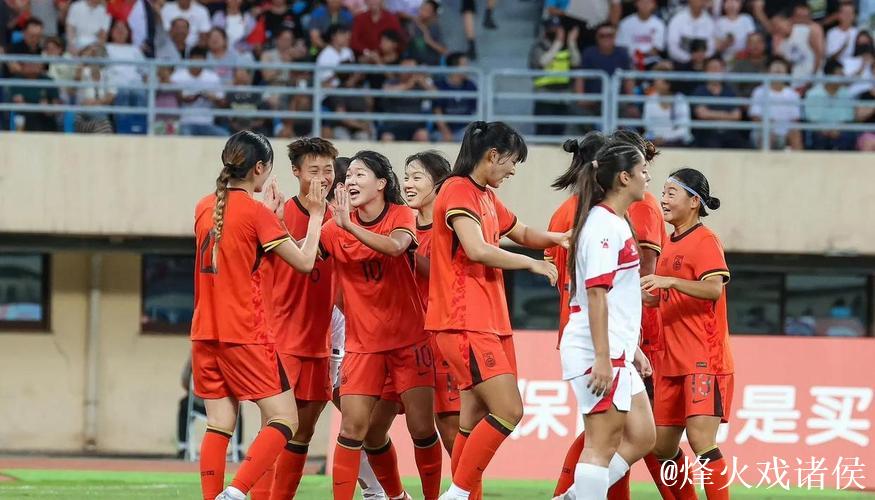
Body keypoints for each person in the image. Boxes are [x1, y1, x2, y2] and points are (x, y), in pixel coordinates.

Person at [430, 121, 564, 500]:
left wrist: (561, 238)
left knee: (472, 420)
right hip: (464, 321)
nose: (513, 170)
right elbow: (476, 249)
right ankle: (456, 495)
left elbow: (522, 232)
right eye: (511, 162)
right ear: (492, 155)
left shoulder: (486, 195)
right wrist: (532, 264)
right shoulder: (457, 189)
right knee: (509, 411)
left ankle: (463, 496)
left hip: (488, 321)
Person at [191, 130, 327, 500]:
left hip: (204, 332)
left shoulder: (204, 206)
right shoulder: (255, 213)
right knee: (285, 420)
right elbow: (304, 262)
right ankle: (236, 493)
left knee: (219, 424)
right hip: (245, 332)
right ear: (260, 168)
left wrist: (271, 220)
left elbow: (240, 252)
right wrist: (315, 216)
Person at [326, 151, 442, 500]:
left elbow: (395, 247)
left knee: (422, 428)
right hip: (363, 348)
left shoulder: (400, 214)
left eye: (360, 174)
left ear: (380, 183)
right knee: (355, 430)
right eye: (349, 176)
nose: (350, 180)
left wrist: (349, 227)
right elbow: (303, 260)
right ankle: (396, 497)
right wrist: (314, 217)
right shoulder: (332, 228)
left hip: (410, 342)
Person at [241, 138, 340, 500]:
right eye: (314, 170)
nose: (323, 177)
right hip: (281, 337)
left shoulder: (341, 217)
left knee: (303, 432)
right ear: (296, 172)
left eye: (328, 169)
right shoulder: (276, 214)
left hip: (320, 341)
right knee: (275, 427)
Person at [557, 137, 655, 500]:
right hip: (597, 348)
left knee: (643, 436)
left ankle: (573, 497)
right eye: (643, 171)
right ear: (624, 178)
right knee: (600, 446)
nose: (648, 178)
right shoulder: (603, 226)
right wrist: (602, 358)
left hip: (616, 348)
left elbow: (616, 294)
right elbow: (596, 294)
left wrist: (632, 349)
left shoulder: (615, 221)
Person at [641, 167, 733, 500]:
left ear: (694, 201)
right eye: (663, 193)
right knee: (661, 447)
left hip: (703, 358)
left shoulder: (705, 240)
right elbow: (666, 297)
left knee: (701, 441)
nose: (663, 200)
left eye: (671, 193)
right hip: (670, 361)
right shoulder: (670, 242)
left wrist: (670, 281)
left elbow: (713, 289)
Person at [403, 150, 458, 455]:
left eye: (417, 177)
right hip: (406, 342)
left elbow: (446, 276)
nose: (408, 184)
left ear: (439, 184)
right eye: (406, 177)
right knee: (419, 429)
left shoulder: (451, 228)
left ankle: (466, 482)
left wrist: (407, 252)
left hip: (442, 337)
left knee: (451, 428)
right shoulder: (402, 227)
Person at [529, 18, 581, 137]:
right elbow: (542, 62)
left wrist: (572, 43)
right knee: (543, 132)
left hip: (562, 96)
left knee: (558, 131)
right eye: (552, 28)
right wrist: (557, 43)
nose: (555, 31)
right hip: (544, 96)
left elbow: (576, 62)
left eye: (557, 28)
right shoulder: (539, 45)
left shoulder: (567, 47)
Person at [170, 46, 227, 137]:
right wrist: (189, 97)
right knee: (185, 136)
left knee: (224, 135)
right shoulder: (178, 77)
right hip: (185, 122)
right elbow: (172, 99)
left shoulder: (213, 78)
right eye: (195, 58)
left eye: (200, 59)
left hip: (207, 123)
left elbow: (222, 103)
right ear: (190, 59)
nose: (197, 62)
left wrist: (212, 97)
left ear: (204, 60)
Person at [748, 56, 803, 150]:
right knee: (767, 134)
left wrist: (786, 133)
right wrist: (770, 127)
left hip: (785, 132)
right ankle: (764, 158)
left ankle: (800, 159)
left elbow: (795, 119)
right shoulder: (759, 91)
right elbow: (755, 117)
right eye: (775, 71)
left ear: (787, 73)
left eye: (780, 72)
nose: (778, 73)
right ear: (768, 72)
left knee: (796, 134)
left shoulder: (793, 94)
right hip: (764, 130)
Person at [692, 56, 745, 148]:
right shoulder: (700, 91)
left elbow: (736, 115)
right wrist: (726, 115)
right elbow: (702, 114)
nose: (715, 72)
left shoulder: (729, 91)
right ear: (706, 71)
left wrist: (712, 114)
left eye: (718, 69)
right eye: (712, 69)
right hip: (707, 134)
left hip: (729, 133)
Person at [803, 58, 857, 150]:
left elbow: (848, 118)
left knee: (848, 136)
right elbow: (811, 118)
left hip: (840, 131)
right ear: (829, 75)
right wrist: (823, 130)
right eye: (839, 74)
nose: (843, 77)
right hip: (818, 131)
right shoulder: (813, 94)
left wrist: (838, 130)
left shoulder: (847, 94)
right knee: (815, 137)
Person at [643, 60, 692, 147]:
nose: (655, 82)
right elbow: (647, 126)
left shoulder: (680, 100)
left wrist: (665, 139)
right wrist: (655, 138)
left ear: (668, 83)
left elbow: (683, 130)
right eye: (655, 79)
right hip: (654, 142)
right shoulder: (650, 99)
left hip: (676, 143)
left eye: (659, 79)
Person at [433, 53, 478, 142]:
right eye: (464, 65)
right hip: (441, 131)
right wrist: (445, 131)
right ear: (454, 67)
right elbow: (437, 111)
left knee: (475, 137)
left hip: (463, 130)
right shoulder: (439, 85)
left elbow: (473, 113)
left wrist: (468, 131)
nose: (468, 68)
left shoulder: (471, 85)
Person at [616, 0, 666, 70]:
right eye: (642, 2)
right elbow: (621, 47)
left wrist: (641, 57)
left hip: (651, 60)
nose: (645, 5)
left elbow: (656, 49)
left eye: (648, 2)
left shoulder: (659, 24)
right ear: (636, 4)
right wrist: (636, 58)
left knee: (664, 67)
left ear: (654, 5)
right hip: (629, 60)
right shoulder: (625, 23)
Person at [666, 0, 716, 64]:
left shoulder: (709, 22)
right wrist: (689, 57)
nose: (698, 2)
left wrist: (703, 56)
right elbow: (672, 47)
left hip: (703, 61)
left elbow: (712, 48)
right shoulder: (677, 19)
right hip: (680, 62)